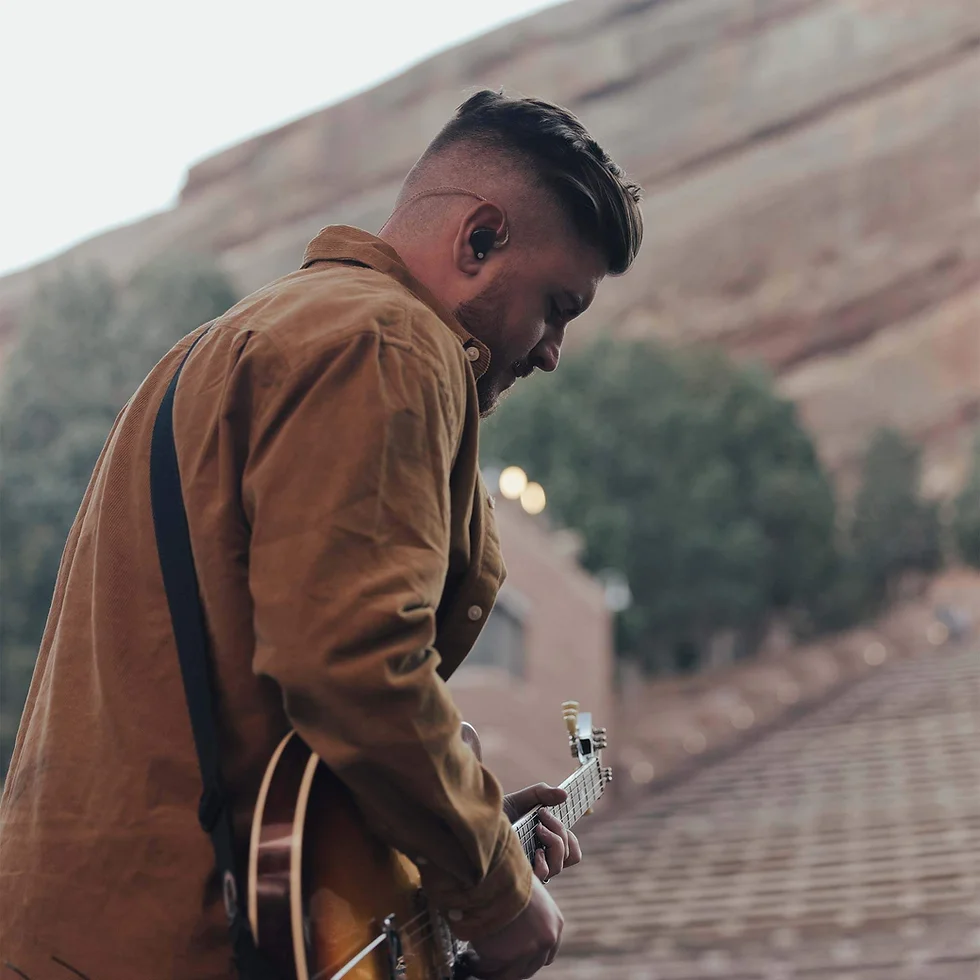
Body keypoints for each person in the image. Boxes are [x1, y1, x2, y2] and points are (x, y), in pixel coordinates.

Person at [0, 90, 642, 979]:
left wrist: (457, 821)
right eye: (558, 305)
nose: (551, 351)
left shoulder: (242, 339)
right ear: (480, 239)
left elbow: (269, 701)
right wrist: (495, 892)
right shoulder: (390, 344)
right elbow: (350, 664)